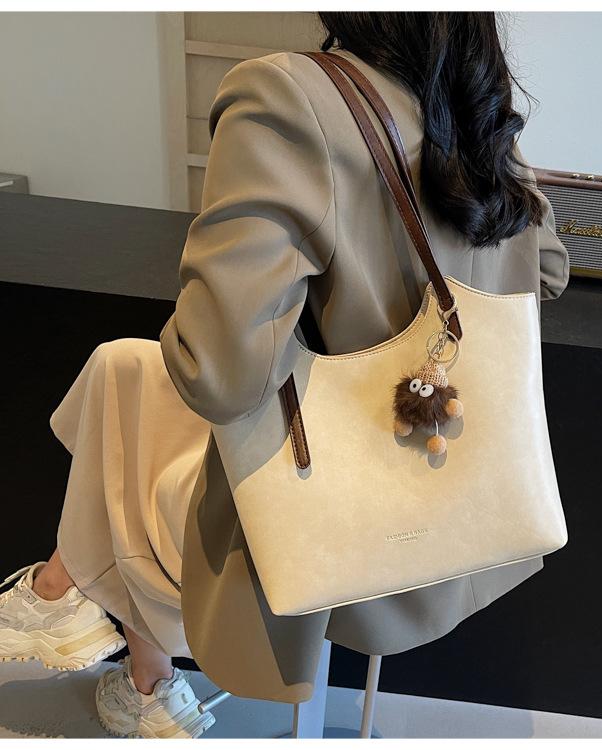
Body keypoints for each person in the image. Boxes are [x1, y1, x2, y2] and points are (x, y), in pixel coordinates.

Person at [0, 11, 569, 739]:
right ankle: (98, 633)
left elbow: (218, 376)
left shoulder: (286, 97)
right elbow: (547, 273)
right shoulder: (477, 108)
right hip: (458, 503)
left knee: (122, 415)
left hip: (320, 530)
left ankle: (76, 602)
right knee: (122, 367)